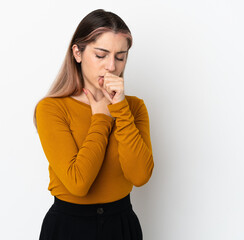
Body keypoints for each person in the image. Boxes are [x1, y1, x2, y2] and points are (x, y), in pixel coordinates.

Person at [33, 9, 154, 240]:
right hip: (69, 227)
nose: (111, 66)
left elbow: (140, 176)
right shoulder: (51, 108)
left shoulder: (134, 108)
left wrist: (119, 109)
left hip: (121, 224)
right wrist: (101, 118)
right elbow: (78, 184)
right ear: (77, 53)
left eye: (120, 56)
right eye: (101, 55)